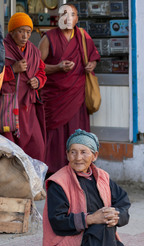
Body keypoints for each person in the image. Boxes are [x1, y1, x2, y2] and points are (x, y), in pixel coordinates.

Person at [42, 129, 133, 246]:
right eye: (73, 152)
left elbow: (123, 201)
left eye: (84, 152)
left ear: (94, 156)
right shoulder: (59, 183)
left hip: (102, 239)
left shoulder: (102, 177)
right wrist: (91, 219)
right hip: (72, 242)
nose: (78, 158)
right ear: (67, 154)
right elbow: (58, 222)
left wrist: (116, 215)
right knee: (102, 225)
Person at [39, 4, 100, 176]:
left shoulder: (82, 36)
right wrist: (57, 67)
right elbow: (37, 66)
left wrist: (90, 65)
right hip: (54, 97)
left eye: (71, 14)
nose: (67, 18)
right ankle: (52, 171)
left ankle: (78, 169)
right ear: (58, 18)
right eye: (63, 14)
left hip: (76, 95)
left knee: (76, 131)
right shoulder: (48, 38)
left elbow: (94, 59)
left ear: (76, 19)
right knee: (53, 136)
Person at [1, 13, 47, 162]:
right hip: (8, 108)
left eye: (28, 32)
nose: (25, 36)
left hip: (28, 109)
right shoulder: (3, 49)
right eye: (21, 31)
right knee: (10, 151)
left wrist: (38, 81)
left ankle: (33, 182)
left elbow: (42, 72)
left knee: (37, 147)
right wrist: (12, 69)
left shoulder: (33, 50)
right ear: (12, 31)